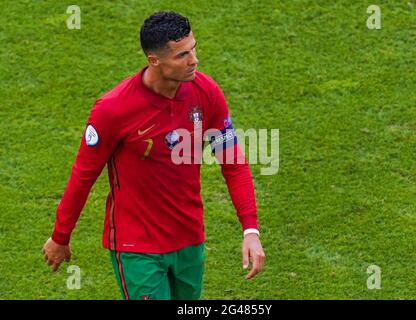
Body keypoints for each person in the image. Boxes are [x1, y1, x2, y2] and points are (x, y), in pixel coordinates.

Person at [42, 11, 265, 300]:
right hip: (137, 246)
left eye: (194, 48)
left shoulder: (206, 92)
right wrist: (61, 236)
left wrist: (250, 230)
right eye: (182, 55)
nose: (194, 60)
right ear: (154, 61)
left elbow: (233, 163)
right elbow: (83, 176)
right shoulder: (113, 110)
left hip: (189, 240)